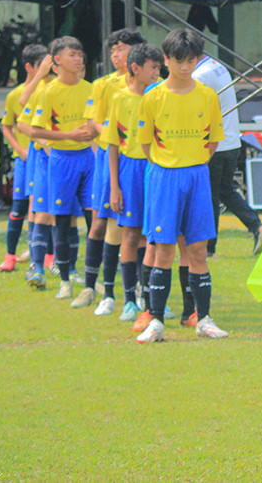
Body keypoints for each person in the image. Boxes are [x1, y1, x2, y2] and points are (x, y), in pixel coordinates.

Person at [136, 28, 227, 343]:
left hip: (197, 176)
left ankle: (203, 319)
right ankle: (156, 322)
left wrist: (193, 162)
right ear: (166, 60)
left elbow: (213, 140)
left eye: (191, 60)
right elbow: (146, 144)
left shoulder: (207, 95)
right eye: (178, 60)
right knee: (163, 251)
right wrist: (168, 164)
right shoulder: (153, 96)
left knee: (198, 249)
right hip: (164, 176)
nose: (185, 67)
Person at [72, 28, 144, 310]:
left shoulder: (153, 83)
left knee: (137, 228)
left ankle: (137, 291)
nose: (115, 54)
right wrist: (118, 136)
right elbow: (93, 125)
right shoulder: (102, 85)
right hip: (110, 158)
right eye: (112, 49)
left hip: (141, 161)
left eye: (121, 48)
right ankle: (92, 287)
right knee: (101, 222)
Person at [29, 37, 97, 300]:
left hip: (88, 159)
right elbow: (35, 130)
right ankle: (65, 280)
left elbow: (98, 121)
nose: (79, 59)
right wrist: (68, 134)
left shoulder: (90, 89)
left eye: (80, 55)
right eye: (72, 55)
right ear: (57, 60)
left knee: (94, 218)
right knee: (60, 218)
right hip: (60, 159)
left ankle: (92, 279)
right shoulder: (48, 92)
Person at [103, 43, 163, 320]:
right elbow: (113, 146)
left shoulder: (163, 93)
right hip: (130, 169)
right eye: (153, 67)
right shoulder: (120, 99)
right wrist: (114, 186)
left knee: (154, 236)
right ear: (135, 69)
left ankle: (150, 297)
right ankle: (128, 299)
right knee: (129, 234)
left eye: (160, 67)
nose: (158, 72)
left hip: (159, 167)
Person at [192, 53, 262, 258]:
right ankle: (258, 227)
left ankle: (209, 248)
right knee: (225, 191)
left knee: (211, 196)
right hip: (231, 142)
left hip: (215, 144)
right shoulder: (217, 66)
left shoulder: (200, 75)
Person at [0, 43, 48, 273]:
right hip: (25, 159)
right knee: (19, 206)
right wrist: (20, 150)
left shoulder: (49, 90)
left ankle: (47, 255)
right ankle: (10, 255)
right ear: (30, 67)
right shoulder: (16, 95)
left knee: (45, 207)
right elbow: (6, 126)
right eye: (42, 65)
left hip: (44, 155)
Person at [17, 54, 57, 289]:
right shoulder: (42, 87)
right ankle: (37, 261)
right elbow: (23, 110)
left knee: (61, 211)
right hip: (41, 153)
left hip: (66, 154)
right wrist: (40, 75)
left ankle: (54, 259)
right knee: (37, 207)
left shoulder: (77, 87)